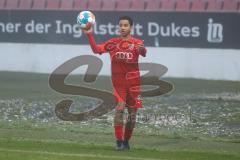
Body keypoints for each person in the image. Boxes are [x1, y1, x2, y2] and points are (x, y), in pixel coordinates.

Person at [82, 16, 147, 150]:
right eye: (121, 25)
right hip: (119, 85)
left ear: (131, 27)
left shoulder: (137, 43)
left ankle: (126, 141)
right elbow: (96, 49)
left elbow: (144, 52)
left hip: (134, 85)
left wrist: (142, 49)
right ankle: (119, 142)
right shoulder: (113, 43)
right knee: (119, 110)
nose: (122, 27)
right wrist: (89, 34)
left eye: (125, 25)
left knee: (132, 116)